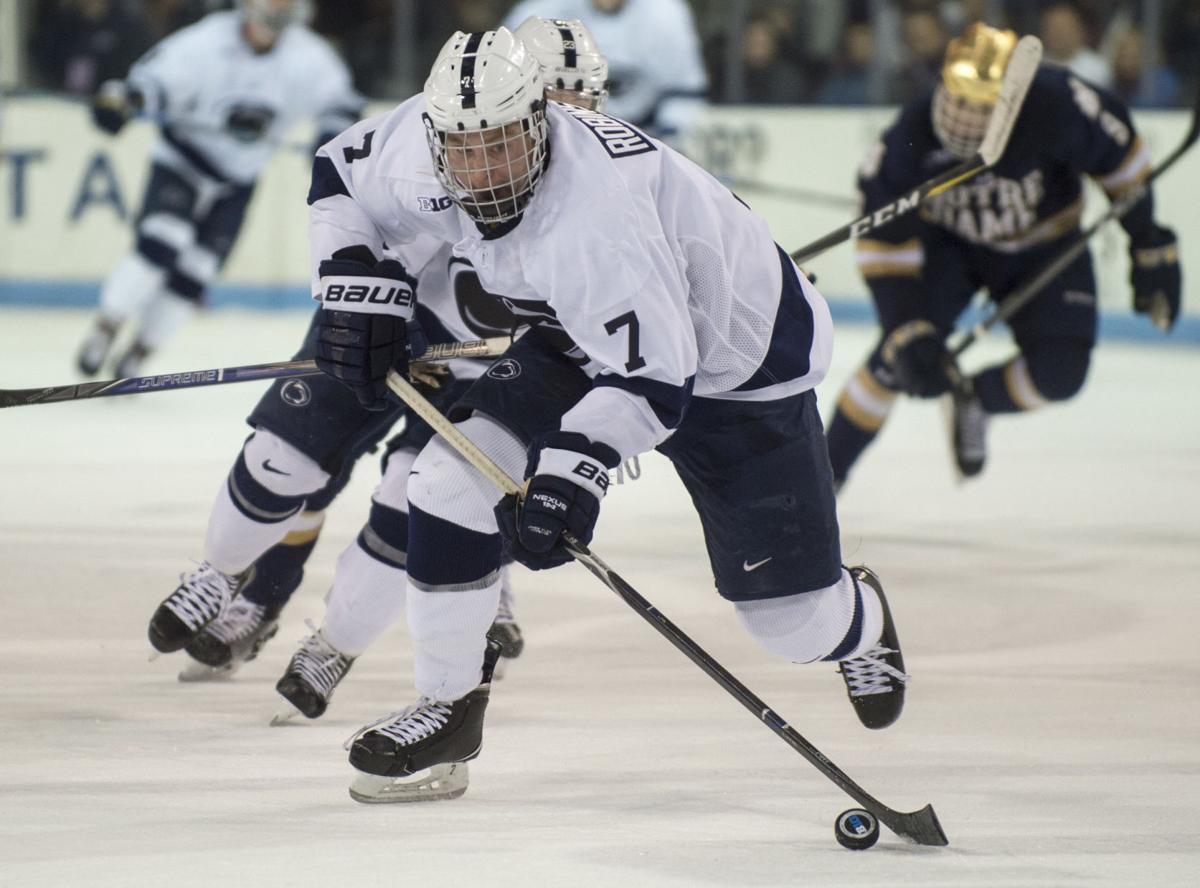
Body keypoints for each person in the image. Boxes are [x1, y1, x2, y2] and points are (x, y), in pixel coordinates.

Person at [304, 25, 910, 803]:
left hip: (740, 367)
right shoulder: (424, 148)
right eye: (464, 147)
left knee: (792, 627)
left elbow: (657, 378)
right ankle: (449, 710)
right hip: (583, 336)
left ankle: (857, 620)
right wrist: (359, 287)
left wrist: (569, 474)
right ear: (435, 135)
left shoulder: (595, 216)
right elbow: (339, 175)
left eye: (501, 143)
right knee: (444, 484)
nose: (482, 169)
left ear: (538, 122)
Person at [145, 18, 612, 724]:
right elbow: (357, 195)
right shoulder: (459, 145)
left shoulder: (608, 180)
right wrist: (368, 304)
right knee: (289, 457)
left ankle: (335, 644)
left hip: (480, 372)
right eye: (558, 100)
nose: (575, 118)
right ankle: (226, 574)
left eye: (587, 102)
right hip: (394, 323)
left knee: (415, 498)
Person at [824, 23, 1182, 489]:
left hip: (1044, 247)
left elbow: (1122, 159)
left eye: (981, 104)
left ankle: (976, 399)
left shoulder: (1055, 104)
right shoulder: (908, 138)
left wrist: (1147, 238)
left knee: (1059, 375)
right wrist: (905, 325)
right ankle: (823, 476)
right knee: (894, 363)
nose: (963, 117)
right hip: (952, 250)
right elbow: (884, 243)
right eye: (957, 98)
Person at [74, 0, 363, 379]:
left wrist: (330, 135)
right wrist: (128, 101)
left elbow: (340, 104)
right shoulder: (207, 41)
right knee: (161, 242)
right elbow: (153, 84)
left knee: (196, 272)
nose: (272, 23)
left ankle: (140, 352)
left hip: (238, 180)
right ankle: (107, 326)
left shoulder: (308, 56)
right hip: (183, 162)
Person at [501, 0, 707, 140]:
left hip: (644, 137)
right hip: (548, 139)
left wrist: (657, 143)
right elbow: (500, 89)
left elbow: (684, 96)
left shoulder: (666, 14)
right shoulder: (535, 14)